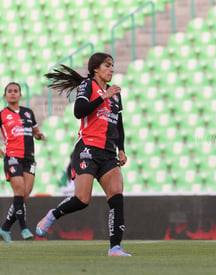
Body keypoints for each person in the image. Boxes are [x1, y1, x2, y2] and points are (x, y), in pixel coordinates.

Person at [36, 52, 131, 256]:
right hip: (87, 148)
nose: (112, 69)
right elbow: (79, 111)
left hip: (107, 153)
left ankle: (115, 247)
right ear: (95, 69)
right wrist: (103, 96)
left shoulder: (116, 94)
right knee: (82, 199)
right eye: (107, 65)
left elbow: (118, 124)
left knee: (116, 197)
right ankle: (53, 213)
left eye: (112, 66)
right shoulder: (88, 86)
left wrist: (121, 148)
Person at [0, 82, 45, 243]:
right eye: (9, 91)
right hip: (12, 156)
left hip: (29, 158)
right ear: (5, 96)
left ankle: (5, 228)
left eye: (15, 91)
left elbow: (34, 131)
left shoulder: (28, 113)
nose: (13, 93)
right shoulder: (2, 114)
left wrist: (39, 135)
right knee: (18, 191)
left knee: (24, 196)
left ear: (20, 95)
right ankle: (24, 228)